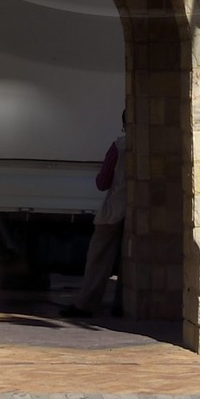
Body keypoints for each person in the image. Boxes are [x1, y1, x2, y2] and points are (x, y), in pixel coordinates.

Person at [61, 115, 126, 320]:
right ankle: (122, 303)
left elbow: (102, 182)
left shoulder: (118, 147)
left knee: (98, 257)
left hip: (114, 209)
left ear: (124, 123)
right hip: (138, 211)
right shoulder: (149, 146)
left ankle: (86, 303)